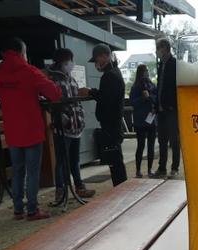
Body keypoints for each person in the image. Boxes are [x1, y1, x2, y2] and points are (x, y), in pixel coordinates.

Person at [0, 37, 61, 220]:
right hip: (31, 128)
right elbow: (54, 94)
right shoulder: (30, 72)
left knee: (17, 171)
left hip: (12, 129)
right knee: (32, 172)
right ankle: (32, 210)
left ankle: (18, 209)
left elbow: (0, 96)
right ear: (22, 52)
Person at [47, 48, 93, 200]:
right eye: (69, 61)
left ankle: (79, 186)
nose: (71, 64)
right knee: (61, 159)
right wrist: (61, 116)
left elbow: (76, 98)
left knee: (75, 158)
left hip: (76, 125)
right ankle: (60, 190)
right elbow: (49, 102)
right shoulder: (52, 79)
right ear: (62, 61)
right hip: (63, 126)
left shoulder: (71, 78)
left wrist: (80, 115)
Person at [88, 44, 127, 186]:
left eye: (97, 59)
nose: (97, 64)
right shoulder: (115, 72)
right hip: (114, 124)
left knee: (115, 162)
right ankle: (121, 188)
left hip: (110, 124)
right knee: (116, 160)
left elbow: (107, 99)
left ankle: (120, 189)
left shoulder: (109, 76)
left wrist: (91, 92)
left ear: (104, 56)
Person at [154, 37, 180, 178]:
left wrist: (172, 104)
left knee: (174, 139)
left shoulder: (175, 64)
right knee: (162, 140)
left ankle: (174, 167)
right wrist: (156, 105)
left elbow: (174, 87)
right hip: (161, 109)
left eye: (158, 48)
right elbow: (160, 87)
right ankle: (162, 167)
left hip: (171, 109)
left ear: (165, 48)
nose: (157, 51)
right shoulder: (160, 65)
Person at [129, 64, 158, 178]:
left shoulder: (152, 85)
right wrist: (143, 98)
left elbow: (156, 99)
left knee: (151, 146)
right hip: (140, 121)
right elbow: (132, 102)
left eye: (147, 70)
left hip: (151, 119)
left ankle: (150, 169)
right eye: (144, 71)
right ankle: (138, 170)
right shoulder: (135, 87)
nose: (146, 73)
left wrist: (149, 97)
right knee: (140, 145)